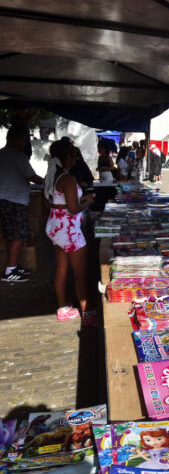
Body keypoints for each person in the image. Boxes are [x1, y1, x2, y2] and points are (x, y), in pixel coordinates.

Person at [45, 141, 97, 324]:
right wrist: (87, 202)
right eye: (74, 155)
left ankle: (63, 309)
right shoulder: (68, 178)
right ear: (66, 157)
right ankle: (87, 313)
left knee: (61, 270)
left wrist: (79, 199)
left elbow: (56, 203)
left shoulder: (53, 176)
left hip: (56, 228)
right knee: (80, 274)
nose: (76, 158)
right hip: (70, 231)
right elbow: (74, 208)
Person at [0, 125, 44, 282]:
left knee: (9, 236)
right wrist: (51, 182)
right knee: (17, 236)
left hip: (4, 200)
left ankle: (13, 266)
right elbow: (32, 177)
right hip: (15, 202)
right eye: (25, 139)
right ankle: (10, 271)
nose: (25, 143)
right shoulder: (18, 156)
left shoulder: (2, 154)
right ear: (18, 139)